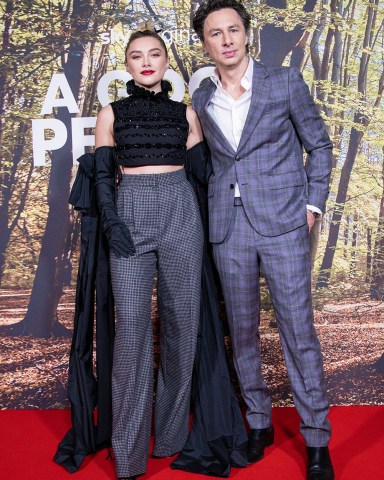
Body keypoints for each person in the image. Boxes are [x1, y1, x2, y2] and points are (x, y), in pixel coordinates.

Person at [191, 1, 335, 479]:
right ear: (206, 42)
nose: (227, 39)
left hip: (284, 225)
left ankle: (317, 439)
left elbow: (320, 144)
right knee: (245, 334)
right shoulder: (202, 95)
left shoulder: (285, 82)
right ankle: (258, 423)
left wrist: (311, 207)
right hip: (228, 228)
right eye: (216, 33)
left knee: (298, 332)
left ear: (247, 34)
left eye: (234, 29)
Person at [94, 29, 205, 480]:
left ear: (165, 62)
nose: (145, 62)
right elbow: (102, 174)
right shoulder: (110, 113)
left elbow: (203, 178)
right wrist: (111, 220)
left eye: (154, 54)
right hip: (130, 210)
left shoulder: (187, 114)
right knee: (132, 334)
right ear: (127, 64)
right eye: (136, 56)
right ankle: (129, 454)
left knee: (183, 326)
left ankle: (172, 437)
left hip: (181, 209)